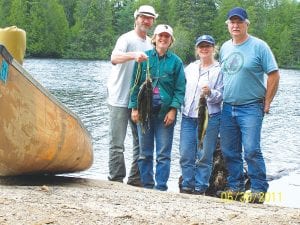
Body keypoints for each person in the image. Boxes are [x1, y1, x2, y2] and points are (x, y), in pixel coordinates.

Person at [218, 7, 280, 203]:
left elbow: (274, 74)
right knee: (229, 151)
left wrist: (267, 101)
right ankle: (235, 187)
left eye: (239, 22)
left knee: (252, 149)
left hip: (251, 107)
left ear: (247, 24)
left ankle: (258, 189)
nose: (235, 25)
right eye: (232, 22)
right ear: (228, 25)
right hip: (227, 107)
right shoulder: (225, 48)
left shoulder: (259, 46)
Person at [129, 24, 186, 191]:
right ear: (154, 38)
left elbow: (180, 89)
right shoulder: (144, 58)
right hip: (144, 113)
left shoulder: (176, 62)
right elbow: (134, 84)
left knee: (163, 155)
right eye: (160, 36)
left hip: (164, 115)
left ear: (171, 41)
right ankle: (147, 186)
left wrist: (173, 109)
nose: (163, 39)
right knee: (144, 153)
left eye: (166, 37)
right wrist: (134, 108)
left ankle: (160, 187)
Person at [106, 5, 158, 186]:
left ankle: (135, 179)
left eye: (150, 18)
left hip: (138, 101)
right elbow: (114, 58)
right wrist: (133, 55)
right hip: (119, 98)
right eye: (143, 17)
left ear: (153, 21)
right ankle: (115, 179)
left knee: (140, 142)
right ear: (136, 18)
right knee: (117, 143)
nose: (146, 21)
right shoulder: (126, 38)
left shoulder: (152, 42)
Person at [179, 35, 223, 195]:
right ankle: (186, 185)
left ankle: (200, 188)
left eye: (208, 46)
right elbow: (181, 88)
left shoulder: (219, 70)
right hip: (188, 117)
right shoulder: (190, 68)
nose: (204, 49)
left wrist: (210, 93)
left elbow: (222, 95)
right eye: (201, 46)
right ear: (197, 49)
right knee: (185, 153)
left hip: (209, 117)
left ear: (213, 48)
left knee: (204, 155)